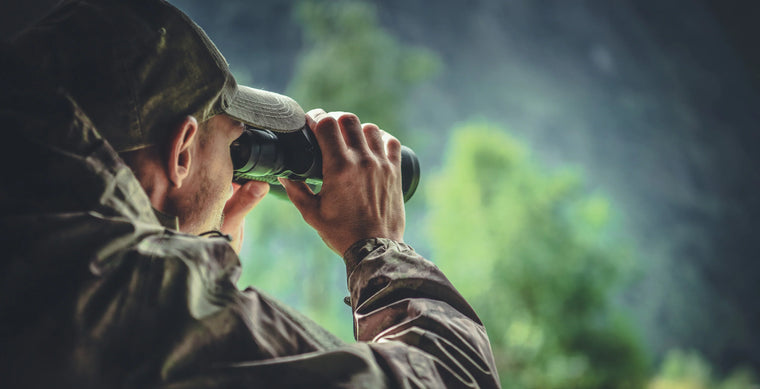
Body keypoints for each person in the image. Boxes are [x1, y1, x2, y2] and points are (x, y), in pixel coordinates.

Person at [0, 0, 500, 387]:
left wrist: (194, 239)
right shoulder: (134, 295)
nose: (237, 172)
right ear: (180, 153)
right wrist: (378, 246)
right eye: (236, 145)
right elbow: (455, 378)